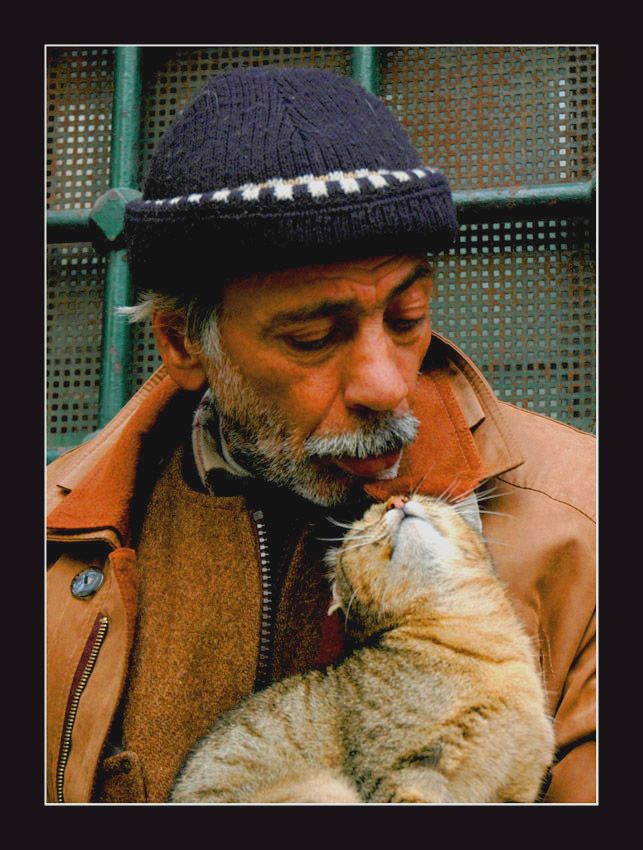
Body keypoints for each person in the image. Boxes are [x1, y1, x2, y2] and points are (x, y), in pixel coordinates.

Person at [46, 67, 595, 804]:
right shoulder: (52, 546)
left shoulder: (589, 524)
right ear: (182, 343)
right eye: (313, 337)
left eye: (407, 318)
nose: (386, 385)